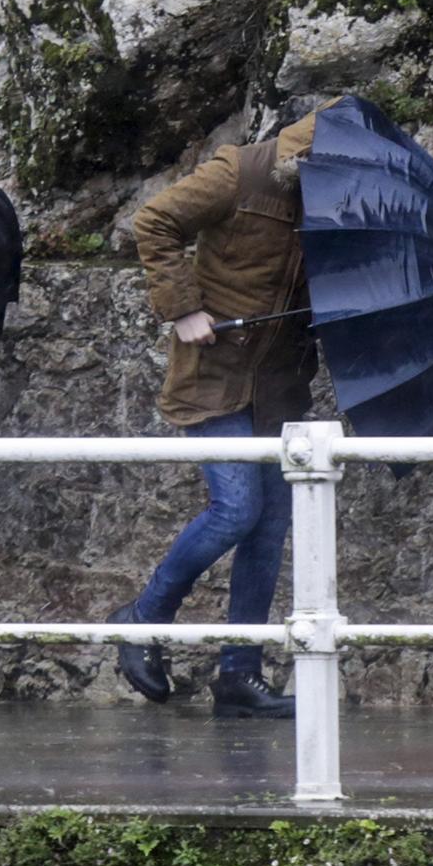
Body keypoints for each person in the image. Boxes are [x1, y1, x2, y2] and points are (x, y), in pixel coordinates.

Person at [107, 106, 323, 718]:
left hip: (279, 387)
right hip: (213, 374)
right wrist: (182, 309)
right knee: (236, 510)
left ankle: (239, 674)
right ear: (297, 155)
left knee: (269, 528)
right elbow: (155, 221)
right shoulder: (240, 172)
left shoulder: (335, 200)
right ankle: (145, 619)